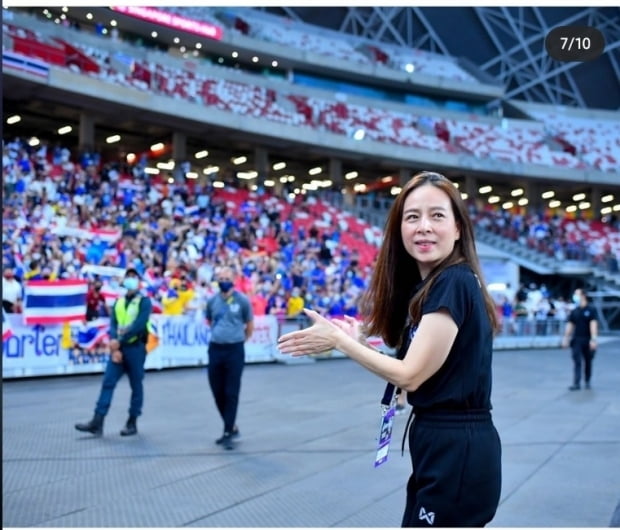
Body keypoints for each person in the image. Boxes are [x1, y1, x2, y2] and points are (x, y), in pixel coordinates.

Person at [277, 171, 502, 527]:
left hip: (457, 451)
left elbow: (410, 376)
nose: (423, 226)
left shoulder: (452, 283)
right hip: (443, 446)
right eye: (412, 217)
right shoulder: (435, 286)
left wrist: (342, 343)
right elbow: (419, 370)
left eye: (437, 215)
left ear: (458, 228)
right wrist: (361, 344)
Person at [75, 268, 153, 437]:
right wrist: (113, 343)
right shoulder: (118, 302)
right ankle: (98, 420)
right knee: (108, 382)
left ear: (139, 281)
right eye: (128, 277)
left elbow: (139, 325)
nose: (131, 280)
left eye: (134, 277)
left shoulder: (144, 302)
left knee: (136, 385)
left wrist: (119, 342)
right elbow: (113, 324)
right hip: (119, 347)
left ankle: (132, 421)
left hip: (135, 348)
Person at [205, 266, 254, 450]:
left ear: (233, 279)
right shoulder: (212, 301)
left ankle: (227, 431)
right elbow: (210, 320)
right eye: (221, 277)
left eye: (227, 277)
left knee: (231, 392)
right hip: (216, 348)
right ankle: (231, 425)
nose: (223, 280)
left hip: (234, 349)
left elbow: (249, 325)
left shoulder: (242, 301)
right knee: (217, 390)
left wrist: (240, 340)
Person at [561, 288, 598, 391]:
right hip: (577, 339)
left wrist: (593, 339)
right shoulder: (574, 311)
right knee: (577, 361)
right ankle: (576, 383)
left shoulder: (591, 309)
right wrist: (566, 338)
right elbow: (570, 325)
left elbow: (593, 324)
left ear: (583, 295)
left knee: (588, 361)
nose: (575, 296)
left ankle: (587, 380)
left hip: (588, 339)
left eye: (577, 294)